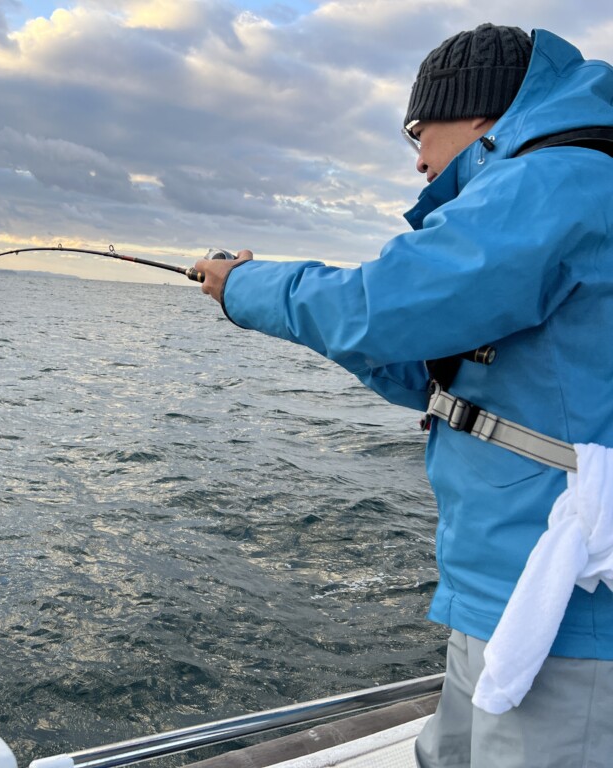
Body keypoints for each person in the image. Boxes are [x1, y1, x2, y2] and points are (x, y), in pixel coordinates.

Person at [194, 23, 613, 768]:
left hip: (564, 609)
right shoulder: (551, 185)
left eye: (419, 132)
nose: (418, 159)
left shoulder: (559, 180)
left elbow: (383, 306)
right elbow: (432, 364)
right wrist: (337, 337)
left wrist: (245, 286)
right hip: (504, 585)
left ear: (477, 111)